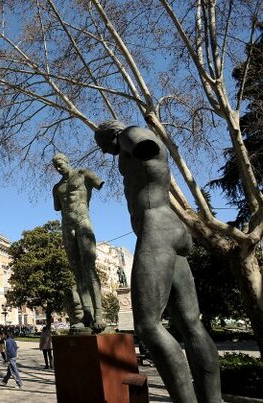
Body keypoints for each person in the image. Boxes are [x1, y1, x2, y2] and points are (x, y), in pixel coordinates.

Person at [94, 120, 222, 403]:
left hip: (155, 229)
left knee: (148, 325)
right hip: (171, 228)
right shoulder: (127, 144)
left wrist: (136, 143)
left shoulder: (129, 134)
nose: (103, 151)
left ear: (111, 134)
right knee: (191, 323)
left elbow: (146, 145)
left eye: (102, 144)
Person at [52, 153, 105, 332]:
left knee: (89, 268)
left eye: (60, 164)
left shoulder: (83, 174)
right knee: (77, 272)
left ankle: (99, 314)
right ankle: (87, 314)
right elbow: (58, 207)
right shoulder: (57, 188)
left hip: (83, 223)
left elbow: (98, 183)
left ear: (67, 161)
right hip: (67, 228)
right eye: (55, 166)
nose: (58, 168)